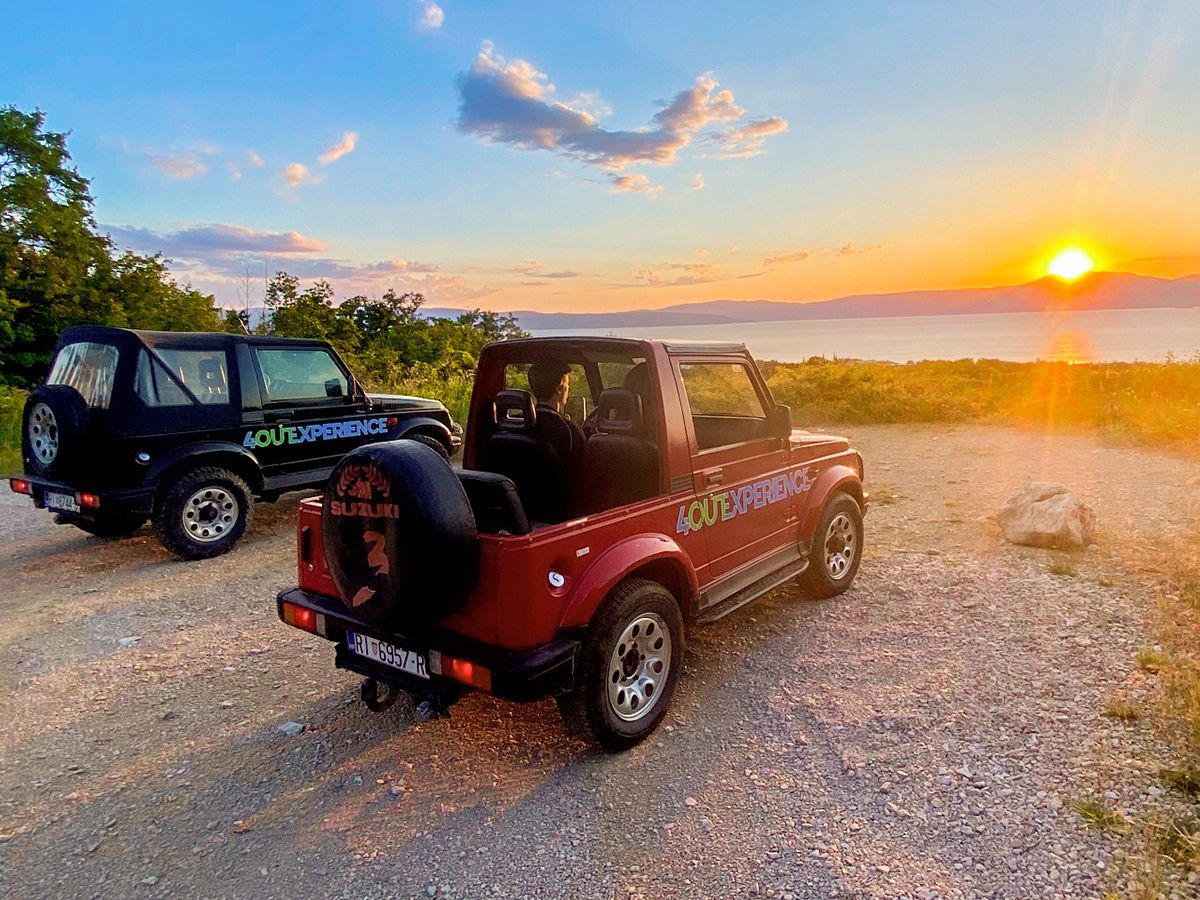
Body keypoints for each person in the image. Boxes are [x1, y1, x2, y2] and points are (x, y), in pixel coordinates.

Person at [527, 359, 585, 457]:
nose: (568, 389)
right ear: (559, 388)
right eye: (567, 385)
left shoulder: (516, 424)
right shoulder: (571, 431)